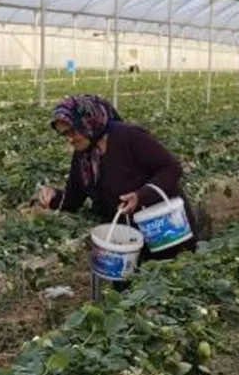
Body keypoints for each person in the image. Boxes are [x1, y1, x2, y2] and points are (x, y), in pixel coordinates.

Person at [36, 94, 196, 263]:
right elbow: (73, 200)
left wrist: (141, 195)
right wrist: (52, 195)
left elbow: (171, 168)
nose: (68, 139)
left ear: (87, 122)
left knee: (169, 280)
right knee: (129, 285)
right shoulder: (83, 156)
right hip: (126, 241)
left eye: (71, 131)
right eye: (63, 134)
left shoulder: (129, 137)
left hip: (165, 230)